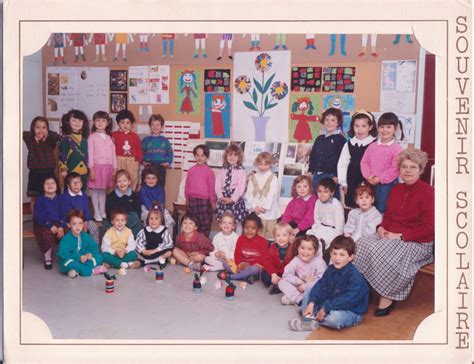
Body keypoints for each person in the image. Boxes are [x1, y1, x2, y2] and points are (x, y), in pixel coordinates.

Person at [354, 149, 434, 317]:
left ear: (420, 169)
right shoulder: (396, 189)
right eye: (404, 166)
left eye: (413, 167)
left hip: (417, 242)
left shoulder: (429, 193)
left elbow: (430, 228)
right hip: (390, 234)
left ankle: (387, 294)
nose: (408, 170)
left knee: (379, 250)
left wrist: (401, 236)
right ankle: (363, 289)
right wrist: (381, 228)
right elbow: (388, 216)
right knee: (362, 244)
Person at [288, 236, 369, 331]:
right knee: (309, 291)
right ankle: (310, 314)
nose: (337, 258)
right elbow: (320, 287)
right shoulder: (330, 269)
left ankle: (310, 318)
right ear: (330, 253)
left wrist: (326, 308)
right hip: (331, 303)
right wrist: (312, 302)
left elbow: (348, 299)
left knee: (334, 319)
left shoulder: (355, 277)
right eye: (334, 253)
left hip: (350, 310)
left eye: (342, 255)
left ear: (350, 257)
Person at [360, 112, 404, 213]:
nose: (385, 130)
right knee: (368, 208)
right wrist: (368, 176)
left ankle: (380, 227)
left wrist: (380, 179)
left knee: (382, 209)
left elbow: (394, 169)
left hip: (387, 185)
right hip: (370, 182)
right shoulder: (372, 146)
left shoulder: (397, 148)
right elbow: (364, 162)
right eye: (382, 127)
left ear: (395, 129)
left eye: (388, 127)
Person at [337, 110, 377, 208]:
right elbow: (342, 164)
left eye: (363, 126)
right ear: (353, 127)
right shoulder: (349, 144)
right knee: (353, 205)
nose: (360, 129)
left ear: (370, 127)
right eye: (357, 126)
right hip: (351, 180)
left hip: (367, 181)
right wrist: (343, 182)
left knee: (366, 205)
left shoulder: (374, 143)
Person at [217, 213, 271, 284]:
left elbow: (264, 259)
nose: (249, 231)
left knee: (255, 269)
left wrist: (249, 264)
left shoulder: (262, 241)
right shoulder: (241, 239)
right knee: (225, 263)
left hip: (254, 267)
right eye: (246, 228)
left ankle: (232, 277)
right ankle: (244, 276)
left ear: (258, 229)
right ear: (243, 228)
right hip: (242, 266)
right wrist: (240, 264)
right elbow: (237, 254)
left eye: (253, 228)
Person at [23, 116, 62, 214]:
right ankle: (36, 220)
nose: (41, 130)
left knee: (52, 196)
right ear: (33, 128)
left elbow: (58, 137)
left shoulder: (50, 140)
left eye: (44, 127)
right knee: (35, 198)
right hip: (35, 174)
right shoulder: (30, 140)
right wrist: (34, 135)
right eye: (38, 127)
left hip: (49, 173)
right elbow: (24, 133)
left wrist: (47, 134)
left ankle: (51, 217)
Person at [308, 108, 346, 199]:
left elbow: (342, 160)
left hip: (331, 176)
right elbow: (313, 155)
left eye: (333, 120)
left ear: (338, 123)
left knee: (331, 201)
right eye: (327, 120)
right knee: (316, 199)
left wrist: (337, 175)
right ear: (323, 121)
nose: (329, 123)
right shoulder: (319, 138)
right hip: (317, 175)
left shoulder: (340, 139)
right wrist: (310, 170)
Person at [57, 209, 107, 278]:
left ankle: (77, 271)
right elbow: (64, 254)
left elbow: (94, 247)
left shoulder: (85, 236)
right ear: (69, 225)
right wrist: (78, 257)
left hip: (85, 259)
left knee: (100, 257)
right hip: (72, 260)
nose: (77, 226)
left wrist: (89, 254)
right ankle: (91, 271)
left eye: (80, 223)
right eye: (74, 224)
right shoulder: (66, 239)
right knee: (67, 263)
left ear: (83, 224)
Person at [278, 235, 327, 305]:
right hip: (299, 285)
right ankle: (300, 299)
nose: (305, 252)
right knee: (281, 282)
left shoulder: (319, 262)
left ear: (315, 251)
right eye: (302, 248)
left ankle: (294, 298)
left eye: (309, 249)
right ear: (298, 249)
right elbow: (286, 274)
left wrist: (305, 286)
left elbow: (321, 281)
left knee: (320, 290)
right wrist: (298, 281)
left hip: (312, 287)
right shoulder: (296, 260)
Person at [87, 111, 117, 221]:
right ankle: (96, 212)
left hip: (107, 167)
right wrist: (90, 168)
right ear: (94, 122)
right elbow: (90, 153)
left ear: (107, 122)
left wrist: (115, 168)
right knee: (95, 190)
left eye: (103, 121)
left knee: (103, 190)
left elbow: (113, 154)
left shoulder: (110, 138)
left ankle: (102, 211)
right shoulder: (92, 137)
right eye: (98, 121)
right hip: (96, 167)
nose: (100, 123)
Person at [245, 151, 280, 241]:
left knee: (272, 234)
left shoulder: (273, 177)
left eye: (266, 164)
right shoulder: (253, 177)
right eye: (260, 164)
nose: (263, 167)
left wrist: (264, 207)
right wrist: (254, 206)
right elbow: (249, 194)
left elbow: (272, 194)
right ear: (257, 163)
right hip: (256, 211)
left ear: (270, 164)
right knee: (259, 234)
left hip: (270, 212)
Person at [33, 176, 65, 269]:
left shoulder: (61, 199)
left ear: (57, 186)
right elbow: (38, 217)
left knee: (69, 231)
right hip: (43, 224)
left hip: (59, 223)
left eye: (53, 183)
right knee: (46, 234)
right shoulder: (40, 200)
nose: (50, 185)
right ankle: (48, 257)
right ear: (43, 186)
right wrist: (50, 226)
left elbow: (64, 214)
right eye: (47, 183)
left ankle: (65, 254)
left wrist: (61, 227)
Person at [185, 144, 216, 237]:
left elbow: (212, 188)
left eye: (202, 155)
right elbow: (187, 186)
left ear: (206, 157)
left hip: (205, 202)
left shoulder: (209, 172)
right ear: (194, 156)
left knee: (204, 225)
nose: (199, 158)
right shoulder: (191, 170)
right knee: (192, 223)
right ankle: (192, 244)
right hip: (192, 201)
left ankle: (203, 246)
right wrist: (187, 198)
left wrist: (213, 202)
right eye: (197, 155)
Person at [307, 178, 345, 254]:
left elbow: (340, 224)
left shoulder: (336, 204)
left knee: (320, 243)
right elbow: (316, 219)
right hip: (320, 228)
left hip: (332, 231)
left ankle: (317, 261)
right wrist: (316, 229)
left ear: (332, 193)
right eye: (319, 191)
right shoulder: (318, 202)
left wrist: (337, 239)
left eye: (326, 192)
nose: (322, 194)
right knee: (308, 236)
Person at [215, 143, 247, 234]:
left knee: (237, 221)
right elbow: (217, 185)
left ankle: (236, 241)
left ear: (239, 157)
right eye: (230, 155)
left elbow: (241, 187)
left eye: (235, 155)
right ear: (226, 156)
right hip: (224, 199)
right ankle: (223, 239)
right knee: (224, 221)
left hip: (235, 199)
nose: (232, 157)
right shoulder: (222, 170)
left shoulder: (241, 171)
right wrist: (220, 196)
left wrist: (232, 199)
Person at [60, 173, 100, 243]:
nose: (76, 184)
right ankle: (79, 250)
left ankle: (94, 247)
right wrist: (81, 223)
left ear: (81, 184)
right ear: (68, 186)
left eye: (78, 182)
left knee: (94, 227)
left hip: (84, 220)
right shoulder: (65, 197)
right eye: (73, 182)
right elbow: (68, 214)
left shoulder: (83, 195)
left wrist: (86, 221)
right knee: (77, 231)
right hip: (72, 221)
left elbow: (87, 210)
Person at [58, 109, 90, 191]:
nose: (77, 123)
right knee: (69, 193)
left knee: (82, 193)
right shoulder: (66, 139)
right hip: (71, 171)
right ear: (68, 122)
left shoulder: (85, 139)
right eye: (74, 120)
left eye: (80, 120)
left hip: (83, 172)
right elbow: (62, 155)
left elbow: (88, 154)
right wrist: (63, 169)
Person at [111, 109, 143, 191]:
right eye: (122, 122)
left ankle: (130, 198)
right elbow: (110, 149)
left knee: (132, 179)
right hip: (118, 160)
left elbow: (139, 150)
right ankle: (117, 198)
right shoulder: (113, 135)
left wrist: (137, 162)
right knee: (117, 180)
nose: (125, 125)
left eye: (128, 122)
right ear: (118, 123)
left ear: (131, 124)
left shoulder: (135, 136)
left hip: (132, 161)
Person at [105, 169, 142, 237]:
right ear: (116, 183)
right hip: (117, 219)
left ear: (129, 182)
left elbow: (138, 210)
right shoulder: (111, 196)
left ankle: (134, 241)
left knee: (137, 220)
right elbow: (109, 211)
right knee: (107, 222)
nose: (122, 183)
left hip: (130, 219)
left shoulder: (134, 195)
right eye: (119, 181)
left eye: (124, 181)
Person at [261, 222, 295, 294]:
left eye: (284, 235)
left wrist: (287, 275)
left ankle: (279, 285)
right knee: (264, 276)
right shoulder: (272, 248)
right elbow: (268, 262)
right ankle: (280, 285)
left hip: (287, 274)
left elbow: (294, 265)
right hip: (275, 272)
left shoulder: (293, 249)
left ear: (289, 236)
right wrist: (273, 274)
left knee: (294, 278)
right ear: (274, 237)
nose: (281, 238)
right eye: (278, 235)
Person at [141, 114, 173, 188]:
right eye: (153, 125)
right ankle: (146, 199)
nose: (155, 127)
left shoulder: (165, 140)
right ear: (150, 126)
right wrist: (142, 161)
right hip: (148, 166)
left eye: (158, 125)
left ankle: (159, 200)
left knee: (160, 186)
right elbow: (140, 152)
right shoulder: (146, 140)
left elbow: (170, 152)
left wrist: (168, 162)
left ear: (162, 127)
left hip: (161, 166)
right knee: (146, 187)